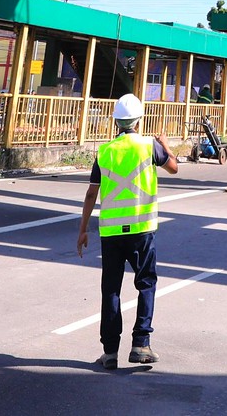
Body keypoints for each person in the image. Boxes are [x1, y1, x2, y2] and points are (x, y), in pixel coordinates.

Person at [76, 93, 179, 370]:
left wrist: (83, 229)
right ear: (139, 120)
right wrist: (166, 145)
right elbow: (173, 168)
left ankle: (109, 353)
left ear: (116, 121)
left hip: (111, 233)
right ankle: (141, 344)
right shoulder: (149, 145)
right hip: (142, 230)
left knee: (111, 289)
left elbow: (90, 194)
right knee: (145, 283)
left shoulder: (105, 151)